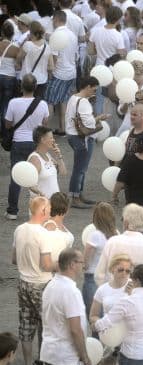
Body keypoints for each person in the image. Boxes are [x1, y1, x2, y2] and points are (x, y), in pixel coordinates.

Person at [11, 196, 53, 365]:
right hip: (41, 284)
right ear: (43, 210)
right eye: (49, 208)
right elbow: (46, 265)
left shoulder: (20, 229)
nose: (50, 211)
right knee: (46, 327)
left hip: (23, 282)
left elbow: (13, 259)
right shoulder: (43, 234)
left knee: (26, 326)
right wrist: (60, 265)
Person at [40, 248, 91, 365]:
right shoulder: (70, 291)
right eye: (82, 262)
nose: (84, 266)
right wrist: (85, 356)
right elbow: (75, 329)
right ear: (72, 264)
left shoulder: (50, 285)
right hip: (68, 356)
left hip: (50, 352)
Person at [5, 73, 50, 220]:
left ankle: (12, 211)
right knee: (37, 178)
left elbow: (8, 124)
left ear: (21, 86)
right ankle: (39, 209)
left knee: (16, 177)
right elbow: (45, 124)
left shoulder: (13, 103)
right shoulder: (42, 104)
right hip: (35, 144)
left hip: (18, 142)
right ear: (36, 87)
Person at [89, 254, 133, 365]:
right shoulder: (103, 289)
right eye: (121, 270)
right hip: (109, 341)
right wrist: (99, 324)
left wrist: (132, 295)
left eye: (128, 270)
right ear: (112, 269)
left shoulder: (134, 286)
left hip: (129, 340)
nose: (124, 273)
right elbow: (93, 316)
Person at [65, 76, 108, 209]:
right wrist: (100, 117)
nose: (95, 92)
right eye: (94, 89)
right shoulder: (83, 102)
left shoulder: (74, 98)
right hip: (82, 137)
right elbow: (89, 122)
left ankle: (78, 194)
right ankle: (74, 197)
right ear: (88, 86)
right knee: (80, 169)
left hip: (73, 135)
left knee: (80, 168)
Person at [94, 203, 143, 287]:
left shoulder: (112, 242)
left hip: (114, 292)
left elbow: (99, 274)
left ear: (126, 223)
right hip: (140, 294)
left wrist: (107, 292)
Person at [82, 202, 117, 317]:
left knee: (94, 318)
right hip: (110, 279)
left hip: (93, 278)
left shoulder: (95, 235)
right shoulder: (116, 234)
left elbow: (85, 262)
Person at [45, 10, 77, 135]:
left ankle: (46, 130)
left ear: (55, 20)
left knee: (50, 102)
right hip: (71, 72)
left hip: (59, 73)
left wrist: (50, 73)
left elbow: (54, 58)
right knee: (63, 101)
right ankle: (63, 128)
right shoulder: (72, 35)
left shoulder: (55, 35)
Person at [27, 126, 65, 198]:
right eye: (51, 138)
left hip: (54, 203)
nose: (53, 140)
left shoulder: (48, 155)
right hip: (42, 205)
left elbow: (63, 172)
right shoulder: (35, 159)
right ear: (43, 140)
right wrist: (41, 194)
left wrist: (59, 156)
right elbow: (31, 185)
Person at [17, 21, 52, 97]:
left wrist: (26, 40)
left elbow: (18, 58)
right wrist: (49, 76)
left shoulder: (27, 45)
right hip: (41, 80)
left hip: (26, 79)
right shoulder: (47, 47)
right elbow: (51, 67)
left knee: (23, 103)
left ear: (31, 32)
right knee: (37, 104)